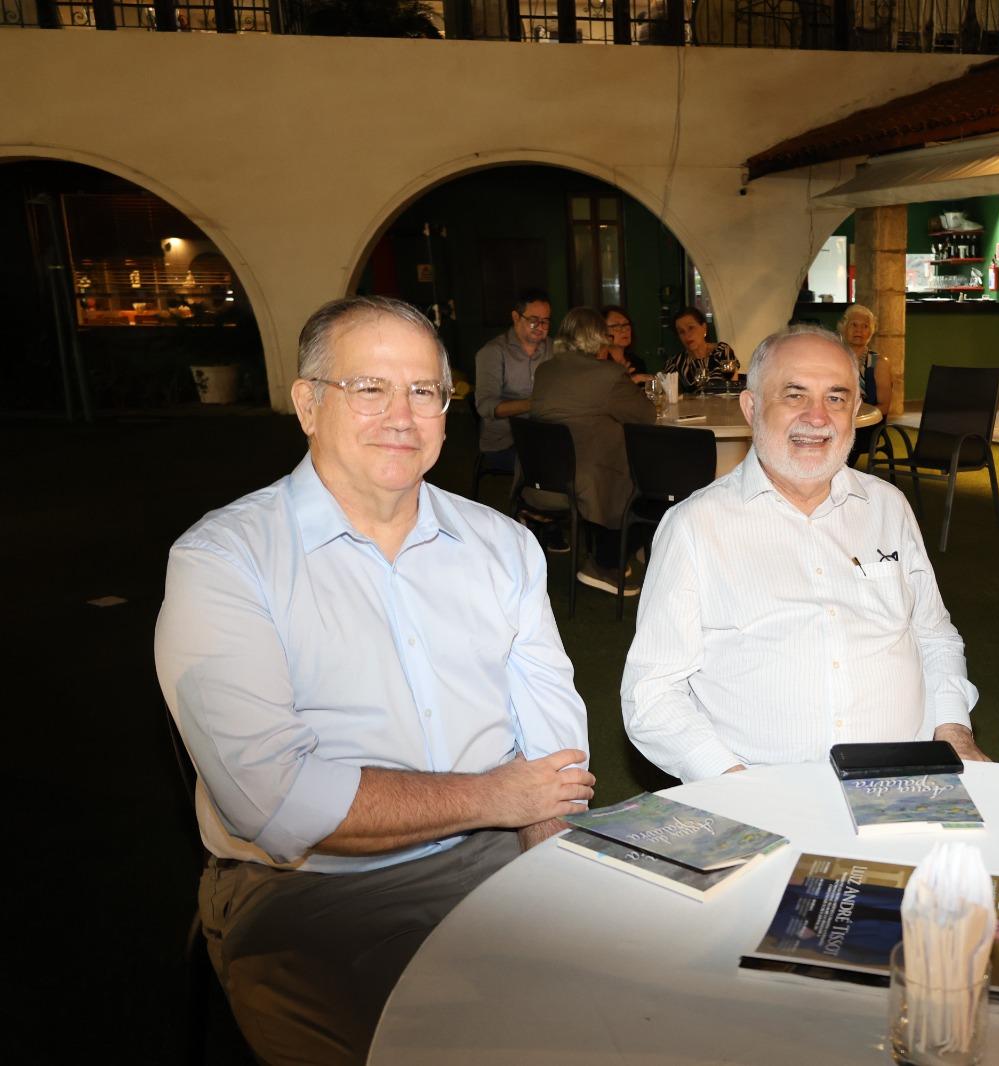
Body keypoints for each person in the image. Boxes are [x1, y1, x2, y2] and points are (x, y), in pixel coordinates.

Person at [154, 296, 594, 1065]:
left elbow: (552, 748)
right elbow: (277, 802)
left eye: (424, 391)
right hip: (312, 890)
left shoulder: (504, 545)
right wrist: (497, 797)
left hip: (501, 853)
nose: (401, 416)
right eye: (369, 388)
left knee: (644, 1013)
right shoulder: (226, 561)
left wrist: (550, 871)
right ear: (307, 404)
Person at [621, 323, 986, 782]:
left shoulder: (888, 507)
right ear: (752, 407)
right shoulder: (695, 527)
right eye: (795, 396)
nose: (817, 418)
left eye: (836, 398)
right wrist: (735, 784)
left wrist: (954, 733)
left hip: (904, 781)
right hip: (766, 792)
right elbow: (652, 693)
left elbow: (933, 636)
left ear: (856, 409)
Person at [527, 306, 657, 596]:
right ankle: (606, 561)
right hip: (584, 483)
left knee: (612, 461)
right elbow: (646, 415)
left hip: (539, 477)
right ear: (599, 338)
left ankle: (608, 555)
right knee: (654, 485)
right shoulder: (608, 374)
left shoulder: (545, 370)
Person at [475, 288, 554, 475]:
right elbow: (486, 406)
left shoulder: (553, 348)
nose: (540, 326)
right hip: (505, 443)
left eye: (545, 321)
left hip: (545, 434)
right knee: (551, 462)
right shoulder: (494, 352)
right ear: (516, 317)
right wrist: (533, 404)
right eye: (534, 320)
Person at [839, 302, 882, 467]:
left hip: (866, 425)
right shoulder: (833, 358)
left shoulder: (879, 363)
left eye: (865, 326)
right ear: (843, 327)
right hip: (837, 417)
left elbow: (885, 406)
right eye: (854, 325)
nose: (859, 330)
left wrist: (856, 418)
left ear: (871, 331)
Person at [662, 305, 740, 393]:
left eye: (691, 328)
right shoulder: (676, 363)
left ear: (704, 328)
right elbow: (665, 391)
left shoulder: (722, 351)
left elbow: (733, 387)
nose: (687, 335)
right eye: (681, 332)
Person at [600, 304, 653, 384]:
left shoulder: (637, 362)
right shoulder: (600, 362)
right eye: (616, 326)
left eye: (626, 324)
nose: (624, 330)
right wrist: (630, 380)